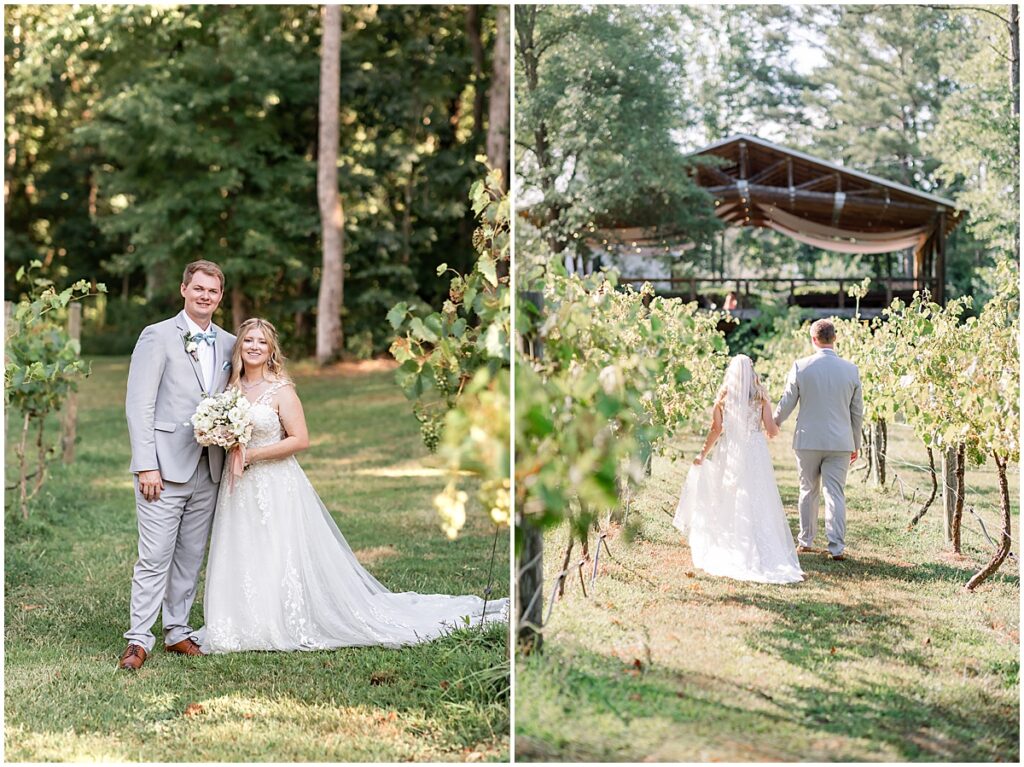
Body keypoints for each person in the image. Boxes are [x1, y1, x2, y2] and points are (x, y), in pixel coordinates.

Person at [201, 318, 507, 653]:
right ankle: (241, 622)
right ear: (239, 346)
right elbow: (228, 434)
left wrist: (252, 455)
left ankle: (277, 622)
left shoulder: (281, 390)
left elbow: (300, 440)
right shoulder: (230, 391)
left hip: (274, 482)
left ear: (271, 349)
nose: (254, 347)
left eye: (261, 341)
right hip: (238, 487)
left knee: (276, 550)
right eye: (248, 341)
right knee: (244, 547)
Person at [120, 260, 236, 670]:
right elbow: (139, 405)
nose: (205, 296)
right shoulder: (157, 336)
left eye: (213, 291)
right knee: (154, 556)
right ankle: (138, 639)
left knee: (190, 555)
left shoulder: (229, 343)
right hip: (164, 469)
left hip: (210, 468)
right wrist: (146, 465)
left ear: (220, 297)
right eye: (199, 288)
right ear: (184, 289)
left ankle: (177, 631)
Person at [673, 355, 804, 584]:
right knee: (757, 494)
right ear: (751, 372)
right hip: (755, 451)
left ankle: (733, 541)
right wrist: (772, 429)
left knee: (731, 495)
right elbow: (772, 431)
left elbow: (716, 430)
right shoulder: (761, 399)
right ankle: (761, 544)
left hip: (731, 450)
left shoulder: (722, 400)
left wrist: (702, 454)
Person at [774, 318, 863, 560]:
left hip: (808, 440)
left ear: (813, 339)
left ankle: (805, 541)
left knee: (807, 490)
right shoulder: (851, 370)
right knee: (835, 493)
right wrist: (856, 443)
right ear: (834, 338)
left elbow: (787, 403)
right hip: (840, 442)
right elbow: (857, 412)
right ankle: (836, 547)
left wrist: (773, 423)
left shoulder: (801, 367)